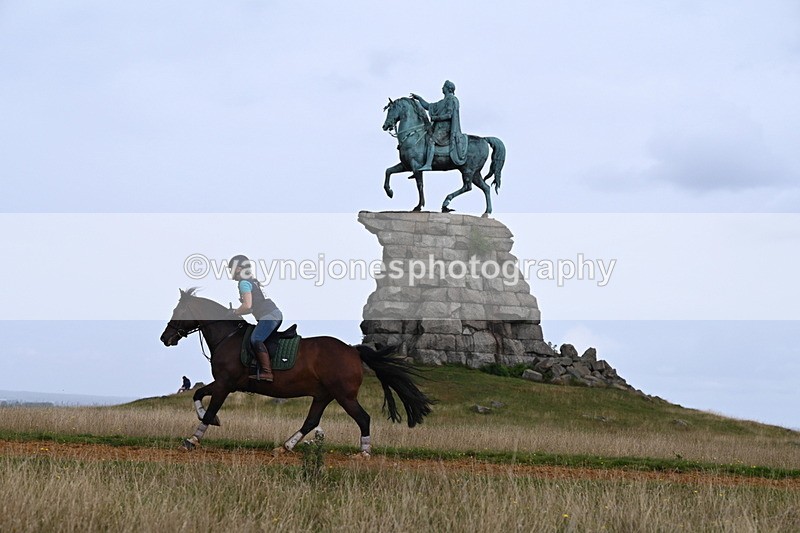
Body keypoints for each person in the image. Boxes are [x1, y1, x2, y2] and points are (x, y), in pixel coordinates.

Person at [228, 254, 283, 382]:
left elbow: (247, 306)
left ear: (238, 268)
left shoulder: (244, 283)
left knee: (255, 339)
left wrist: (234, 312)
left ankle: (267, 372)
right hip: (273, 314)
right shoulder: (252, 281)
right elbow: (250, 308)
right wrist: (238, 311)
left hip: (270, 315)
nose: (230, 272)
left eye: (231, 269)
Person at [410, 80, 468, 170]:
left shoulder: (452, 100)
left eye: (444, 87)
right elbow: (428, 106)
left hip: (446, 129)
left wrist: (436, 118)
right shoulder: (442, 102)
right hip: (438, 128)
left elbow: (449, 115)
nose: (442, 88)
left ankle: (428, 164)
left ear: (448, 89)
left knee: (431, 141)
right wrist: (419, 98)